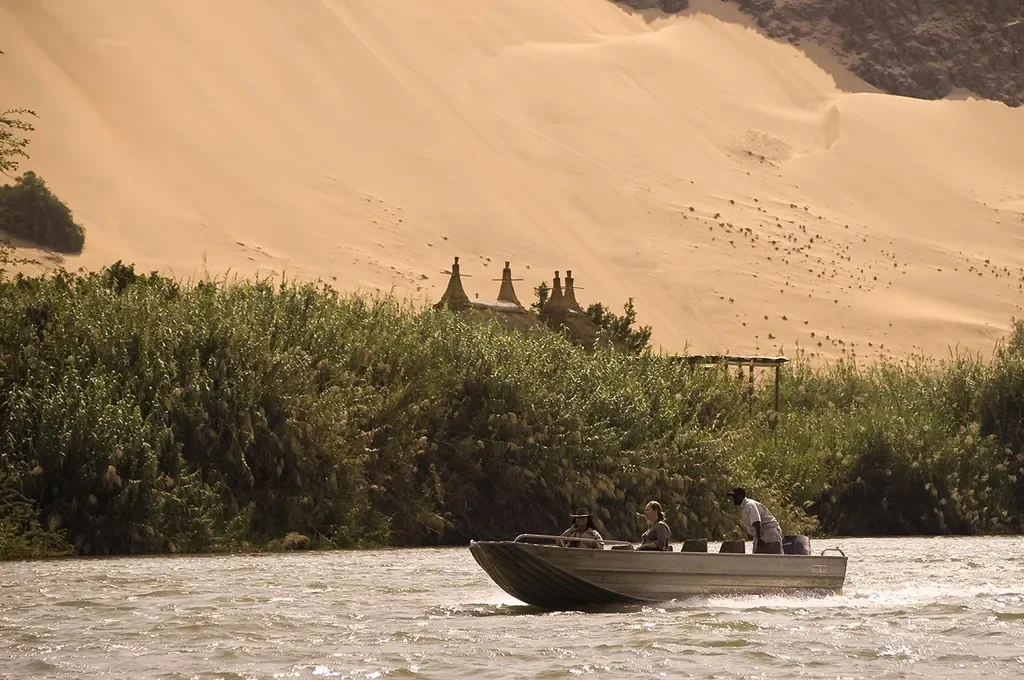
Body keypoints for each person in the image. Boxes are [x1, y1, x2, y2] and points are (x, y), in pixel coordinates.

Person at [727, 487, 783, 554]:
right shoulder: (744, 507)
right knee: (757, 557)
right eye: (733, 497)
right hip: (761, 533)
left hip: (769, 531)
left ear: (741, 496)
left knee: (772, 557)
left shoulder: (749, 505)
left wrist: (759, 539)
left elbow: (756, 522)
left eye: (735, 496)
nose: (733, 499)